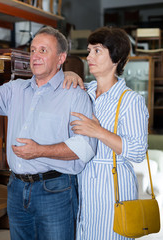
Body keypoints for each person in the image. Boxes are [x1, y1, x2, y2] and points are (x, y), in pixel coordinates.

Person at [0, 26, 96, 240]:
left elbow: (85, 148)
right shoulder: (16, 89)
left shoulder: (75, 95)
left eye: (43, 50)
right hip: (16, 188)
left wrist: (39, 151)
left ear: (61, 58)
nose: (35, 56)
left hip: (55, 191)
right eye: (32, 50)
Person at [67, 27, 149, 239]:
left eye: (97, 51)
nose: (89, 56)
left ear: (116, 58)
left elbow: (138, 151)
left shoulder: (131, 100)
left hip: (113, 187)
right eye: (89, 50)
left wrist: (99, 131)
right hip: (82, 181)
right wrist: (67, 73)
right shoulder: (83, 91)